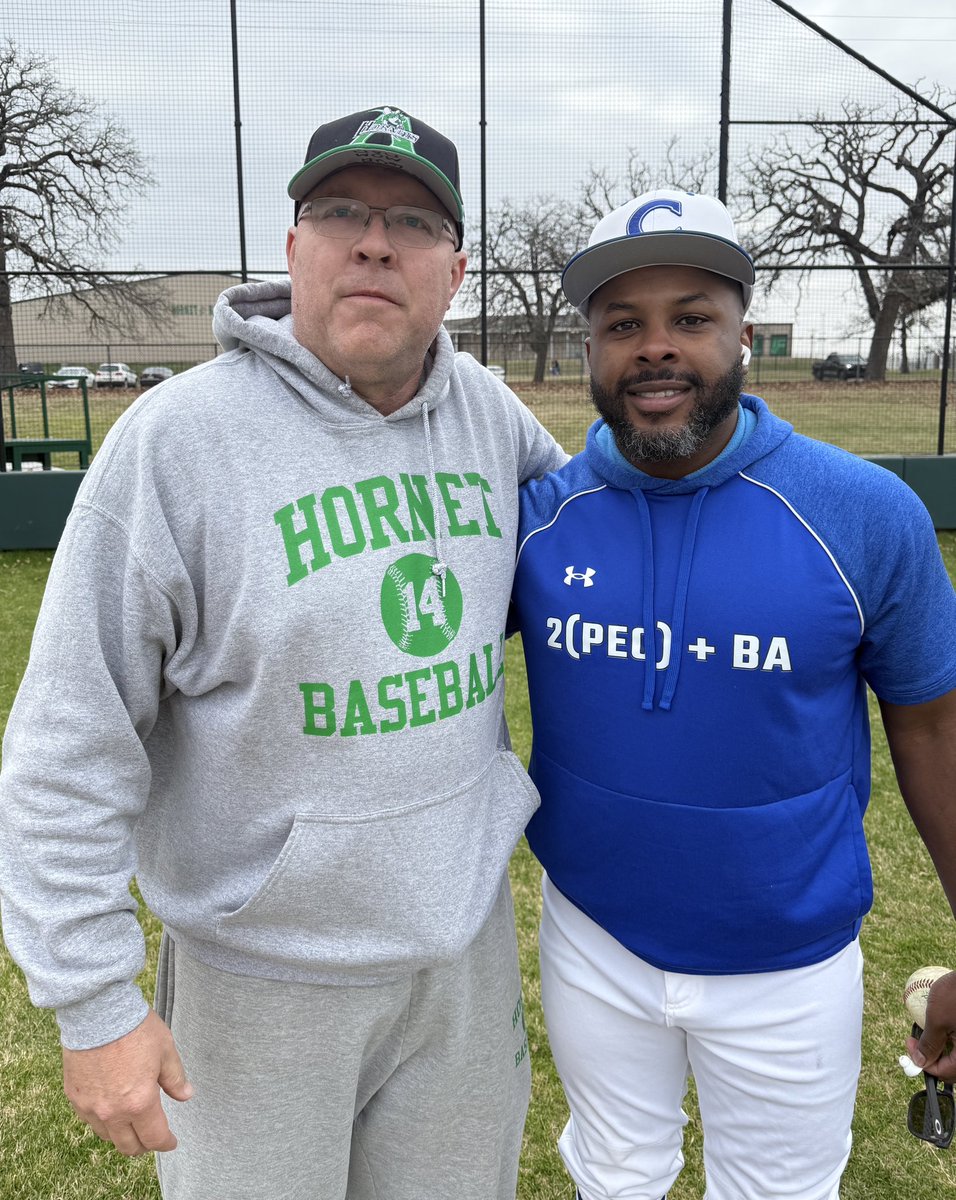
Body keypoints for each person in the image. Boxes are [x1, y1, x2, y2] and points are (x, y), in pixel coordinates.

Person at [0, 106, 565, 1200]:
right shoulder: (177, 443)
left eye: (410, 221)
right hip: (256, 978)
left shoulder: (490, 418)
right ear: (294, 246)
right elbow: (71, 741)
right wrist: (94, 1001)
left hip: (458, 958)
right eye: (340, 211)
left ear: (455, 271)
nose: (372, 242)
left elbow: (602, 543)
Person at [509, 189, 956, 1200]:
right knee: (613, 1177)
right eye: (622, 324)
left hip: (785, 957)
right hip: (592, 932)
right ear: (586, 347)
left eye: (690, 318)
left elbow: (933, 727)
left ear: (742, 334)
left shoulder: (862, 513)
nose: (654, 349)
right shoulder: (537, 515)